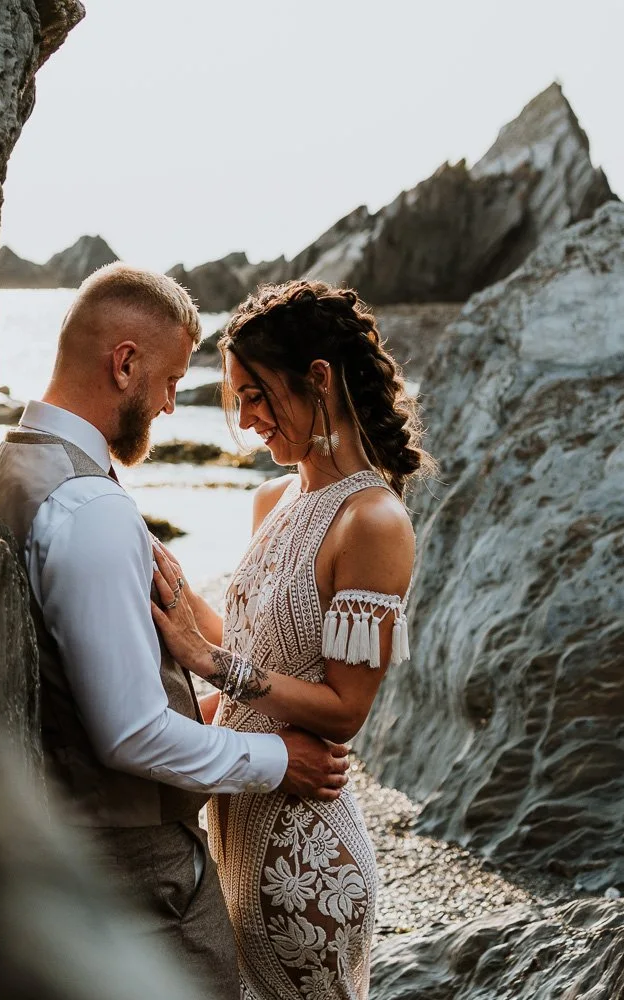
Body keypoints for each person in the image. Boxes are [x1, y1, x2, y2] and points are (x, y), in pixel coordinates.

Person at [0, 264, 351, 998]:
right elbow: (129, 733)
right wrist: (279, 759)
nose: (169, 407)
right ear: (125, 363)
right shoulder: (90, 509)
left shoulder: (3, 466)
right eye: (170, 382)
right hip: (142, 879)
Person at [149, 280, 431, 999]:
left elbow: (343, 709)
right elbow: (258, 644)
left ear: (320, 379)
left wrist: (207, 660)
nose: (245, 422)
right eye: (237, 399)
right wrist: (173, 591)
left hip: (309, 868)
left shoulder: (374, 522)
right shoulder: (271, 500)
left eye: (257, 396)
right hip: (236, 834)